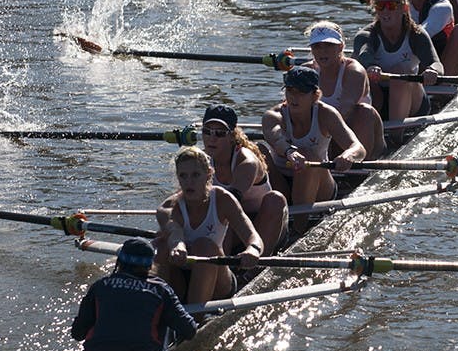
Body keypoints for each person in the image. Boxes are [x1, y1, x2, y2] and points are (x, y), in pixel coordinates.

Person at [153, 146, 263, 306]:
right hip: (181, 276)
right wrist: (178, 246)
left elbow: (253, 236)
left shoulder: (223, 199)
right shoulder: (168, 208)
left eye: (196, 175)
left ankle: (194, 319)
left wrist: (252, 249)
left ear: (209, 174)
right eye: (183, 176)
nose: (189, 182)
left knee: (203, 246)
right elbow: (174, 232)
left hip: (219, 280)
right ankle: (154, 311)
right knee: (159, 245)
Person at [261, 66, 366, 232]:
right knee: (258, 150)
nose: (294, 98)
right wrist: (289, 152)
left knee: (308, 157)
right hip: (282, 181)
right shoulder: (273, 116)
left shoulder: (326, 114)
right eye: (290, 91)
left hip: (319, 184)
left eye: (301, 93)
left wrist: (348, 156)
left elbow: (358, 147)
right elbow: (276, 138)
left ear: (315, 96)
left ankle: (299, 228)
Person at [70, 237, 197, 351]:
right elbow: (189, 330)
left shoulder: (99, 286)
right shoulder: (161, 289)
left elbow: (77, 333)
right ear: (149, 265)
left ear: (119, 262)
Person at [352, 0, 444, 135]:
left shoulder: (416, 34)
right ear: (375, 9)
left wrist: (433, 70)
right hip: (379, 98)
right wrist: (370, 66)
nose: (386, 10)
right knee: (359, 75)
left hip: (413, 103)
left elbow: (436, 63)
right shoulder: (366, 35)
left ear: (404, 8)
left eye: (392, 5)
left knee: (399, 73)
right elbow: (364, 54)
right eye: (381, 6)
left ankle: (396, 136)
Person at [197, 104, 288, 256]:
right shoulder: (200, 160)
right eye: (207, 132)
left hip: (262, 227)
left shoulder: (247, 162)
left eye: (219, 133)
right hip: (229, 228)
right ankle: (220, 270)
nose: (212, 138)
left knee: (275, 199)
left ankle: (254, 268)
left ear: (232, 136)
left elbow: (230, 203)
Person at [303, 21, 386, 160]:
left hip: (354, 135)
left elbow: (345, 110)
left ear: (341, 47)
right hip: (325, 136)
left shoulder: (354, 71)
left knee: (364, 111)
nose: (322, 51)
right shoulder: (306, 72)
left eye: (329, 45)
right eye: (317, 46)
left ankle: (360, 165)